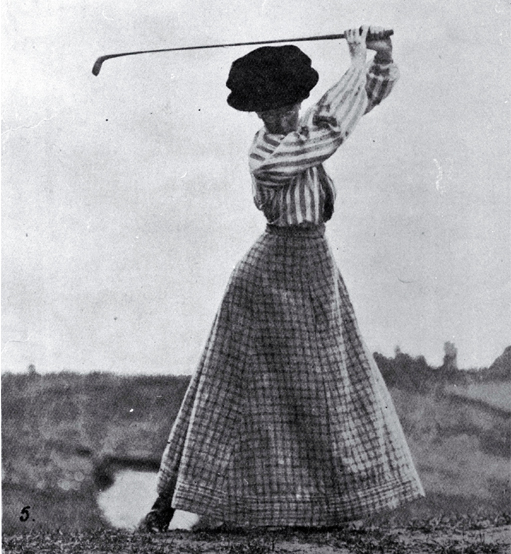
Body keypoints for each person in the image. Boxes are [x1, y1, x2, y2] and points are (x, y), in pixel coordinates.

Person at [143, 25, 424, 532]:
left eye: (290, 104)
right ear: (255, 112)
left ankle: (324, 511)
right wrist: (355, 60)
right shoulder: (267, 156)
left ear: (300, 99)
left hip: (314, 269)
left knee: (323, 388)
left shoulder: (305, 126)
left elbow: (362, 101)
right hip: (266, 277)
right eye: (270, 109)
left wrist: (379, 59)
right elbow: (331, 133)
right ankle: (164, 507)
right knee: (222, 389)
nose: (281, 115)